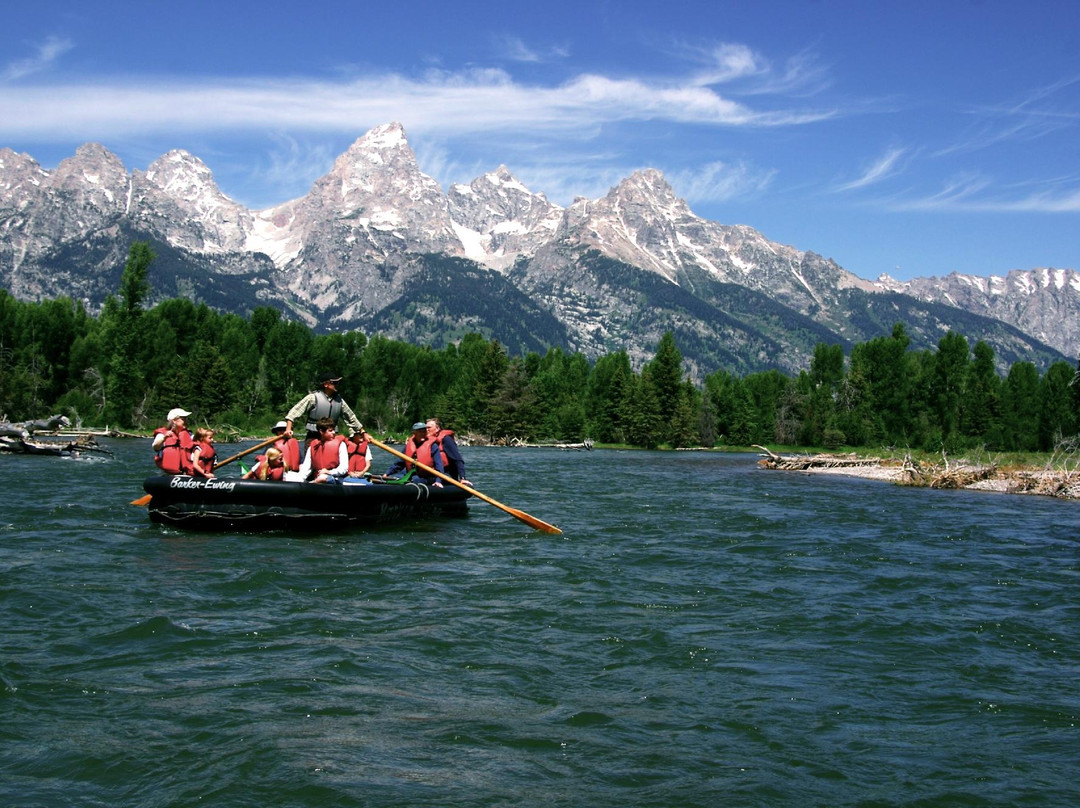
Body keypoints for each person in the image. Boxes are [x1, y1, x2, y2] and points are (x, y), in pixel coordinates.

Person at [284, 371, 363, 445]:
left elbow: (351, 418)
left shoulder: (340, 401)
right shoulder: (313, 398)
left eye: (338, 382)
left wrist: (363, 432)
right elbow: (293, 413)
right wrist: (288, 429)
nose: (337, 384)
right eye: (334, 382)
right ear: (326, 384)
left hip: (331, 437)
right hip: (314, 436)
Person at [297, 417, 348, 483]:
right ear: (321, 431)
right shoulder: (313, 447)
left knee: (322, 477)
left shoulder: (341, 445)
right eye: (330, 430)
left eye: (333, 430)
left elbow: (344, 468)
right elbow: (306, 469)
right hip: (318, 480)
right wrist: (299, 481)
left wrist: (329, 472)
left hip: (336, 479)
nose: (334, 432)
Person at [426, 418, 469, 484]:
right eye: (425, 428)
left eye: (429, 428)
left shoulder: (446, 440)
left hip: (446, 474)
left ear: (437, 428)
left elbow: (457, 459)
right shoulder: (426, 440)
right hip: (431, 473)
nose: (426, 430)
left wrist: (462, 477)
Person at [152, 408, 194, 474]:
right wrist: (164, 438)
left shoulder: (189, 435)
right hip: (167, 473)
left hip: (187, 471)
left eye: (186, 419)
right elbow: (156, 447)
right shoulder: (162, 434)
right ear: (174, 421)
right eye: (183, 419)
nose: (186, 421)